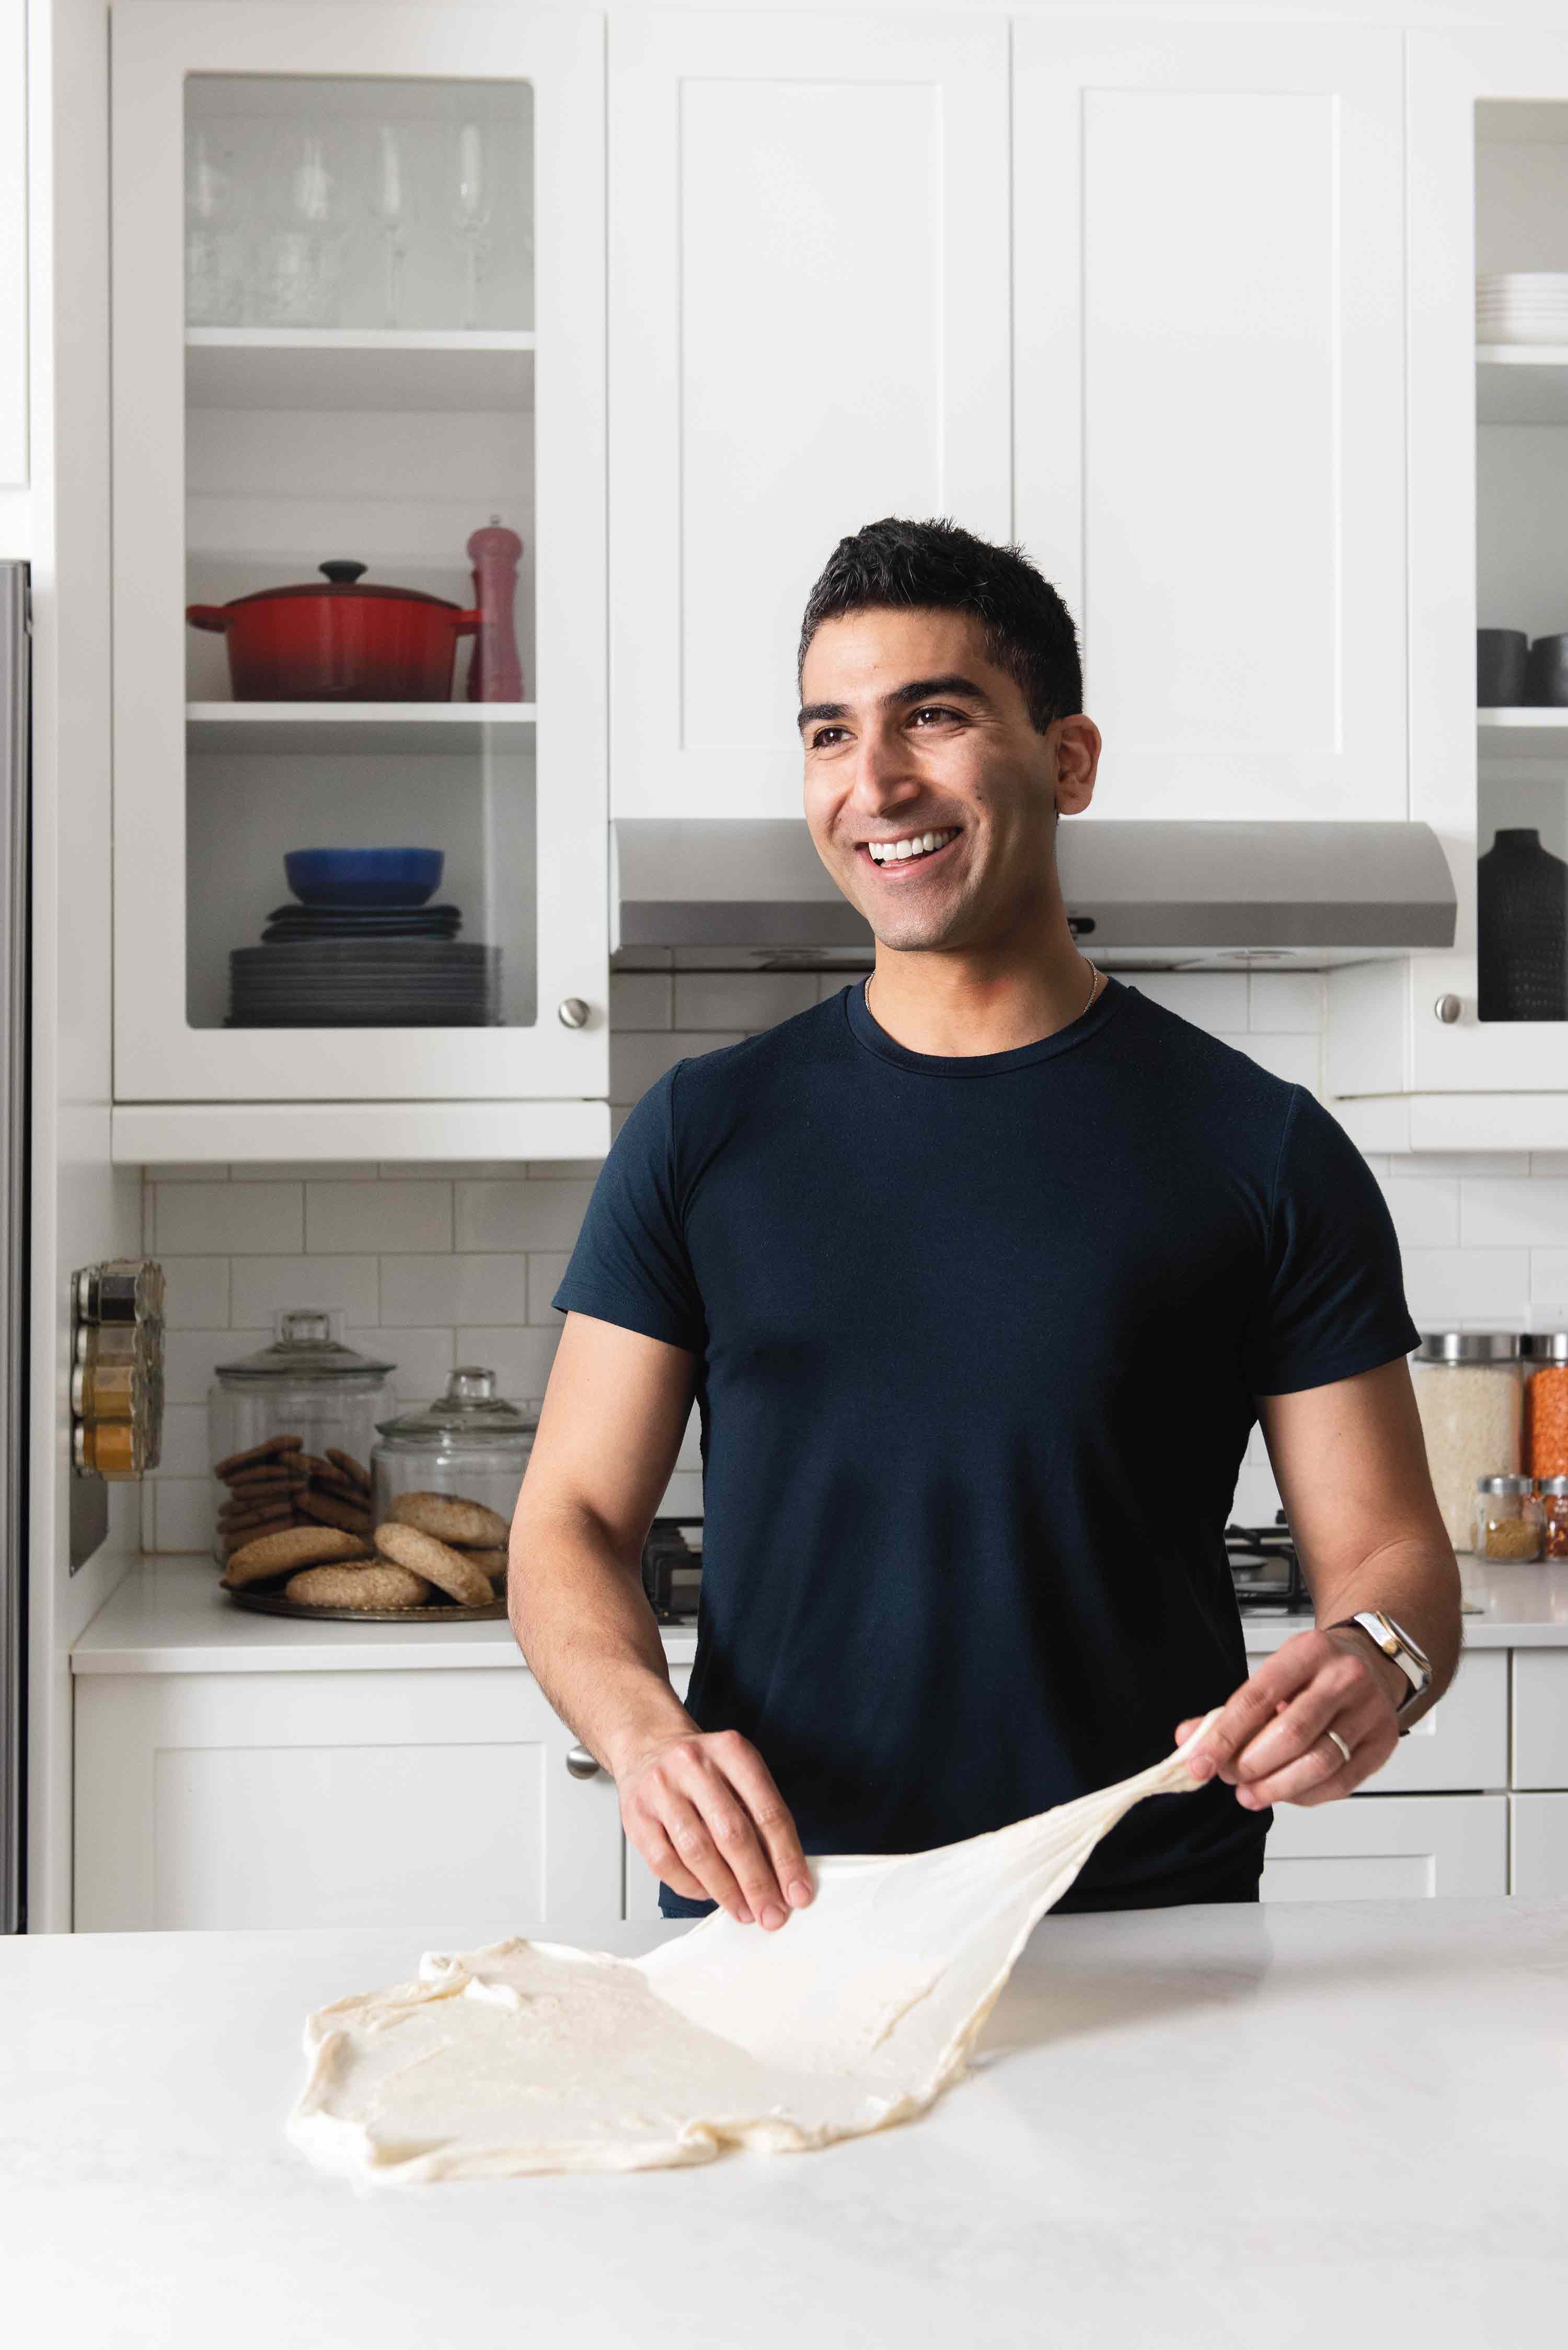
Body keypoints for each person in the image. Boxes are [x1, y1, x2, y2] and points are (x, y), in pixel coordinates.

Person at [510, 515, 1461, 1931]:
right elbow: (569, 1523)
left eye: (934, 718)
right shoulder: (702, 1133)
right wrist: (644, 1733)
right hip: (787, 1918)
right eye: (829, 735)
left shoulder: (1261, 1147)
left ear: (1068, 760)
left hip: (1147, 1917)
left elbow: (1393, 1558)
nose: (875, 782)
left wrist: (1377, 1659)